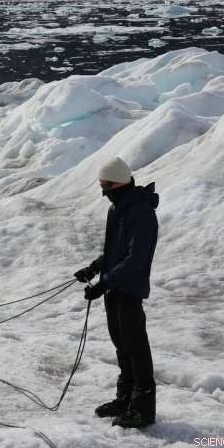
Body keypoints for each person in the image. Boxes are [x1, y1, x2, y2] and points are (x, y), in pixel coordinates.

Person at [74, 157, 159, 429]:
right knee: (122, 345)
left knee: (136, 348)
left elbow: (136, 258)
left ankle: (143, 409)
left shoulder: (140, 212)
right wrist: (94, 268)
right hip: (114, 288)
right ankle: (125, 400)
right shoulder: (118, 208)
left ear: (119, 183)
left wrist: (104, 282)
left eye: (106, 185)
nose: (103, 191)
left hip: (130, 289)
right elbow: (115, 251)